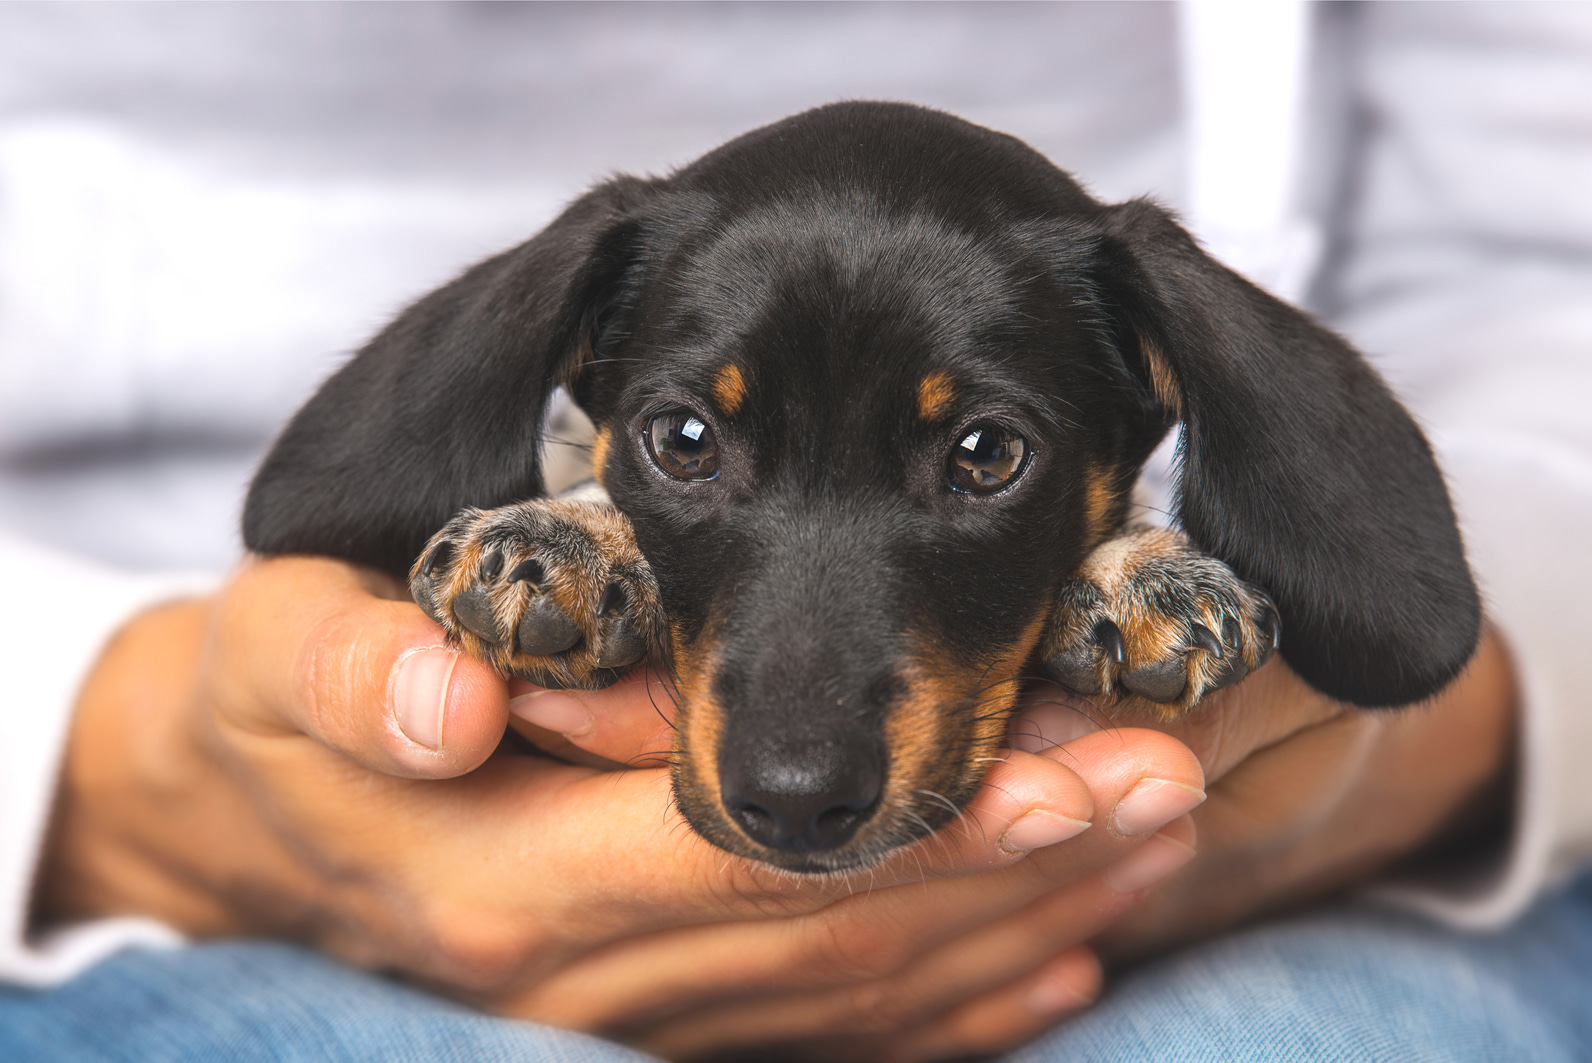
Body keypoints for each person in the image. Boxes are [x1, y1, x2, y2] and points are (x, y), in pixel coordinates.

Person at [2, 3, 1589, 1060]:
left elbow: (1547, 258)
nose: (798, 772)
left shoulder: (1148, 350)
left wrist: (1422, 758)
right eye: (685, 443)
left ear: (1146, 416)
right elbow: (317, 518)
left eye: (983, 457)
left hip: (1262, 885)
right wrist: (102, 759)